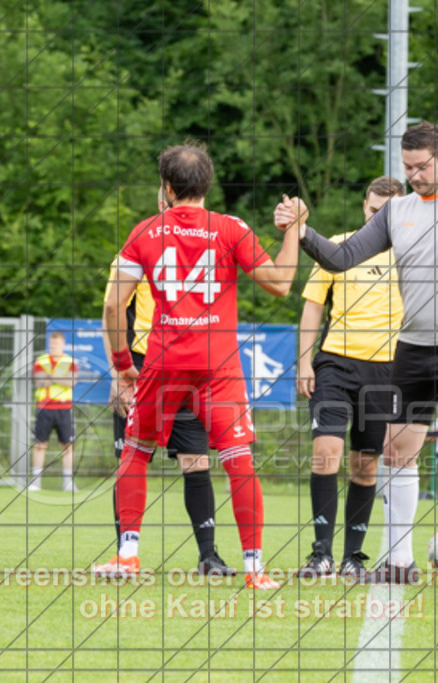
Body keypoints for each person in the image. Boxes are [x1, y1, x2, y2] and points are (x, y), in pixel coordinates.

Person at [284, 121, 438, 589]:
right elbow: (341, 258)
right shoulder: (396, 211)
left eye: (422, 167)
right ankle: (398, 558)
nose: (414, 176)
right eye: (407, 168)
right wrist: (302, 231)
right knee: (395, 452)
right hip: (413, 348)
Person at [98, 141, 304, 589]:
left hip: (164, 361)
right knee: (237, 459)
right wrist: (295, 230)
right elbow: (281, 284)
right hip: (218, 365)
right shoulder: (230, 229)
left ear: (167, 188)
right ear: (207, 184)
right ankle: (255, 570)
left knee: (136, 450)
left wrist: (122, 364)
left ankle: (127, 557)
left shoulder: (144, 232)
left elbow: (115, 307)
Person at [101, 188, 235, 576]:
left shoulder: (201, 246)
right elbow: (115, 312)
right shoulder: (137, 246)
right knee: (131, 459)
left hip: (182, 364)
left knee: (195, 461)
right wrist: (118, 372)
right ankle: (126, 554)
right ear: (161, 203)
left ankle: (208, 556)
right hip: (141, 364)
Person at [296, 176, 405, 578]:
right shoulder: (338, 247)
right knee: (326, 453)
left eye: (388, 214)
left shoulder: (413, 253)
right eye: (374, 212)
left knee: (366, 465)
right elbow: (312, 309)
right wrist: (305, 362)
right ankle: (320, 552)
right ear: (364, 207)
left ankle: (352, 557)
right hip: (336, 365)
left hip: (387, 371)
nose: (379, 220)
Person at [30, 331, 79, 492]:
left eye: (56, 344)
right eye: (51, 344)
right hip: (44, 408)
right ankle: (36, 482)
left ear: (63, 344)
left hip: (64, 409)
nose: (53, 346)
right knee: (39, 445)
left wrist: (50, 376)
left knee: (67, 446)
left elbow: (71, 382)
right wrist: (59, 378)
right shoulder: (41, 361)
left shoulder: (69, 361)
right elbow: (39, 382)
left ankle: (68, 483)